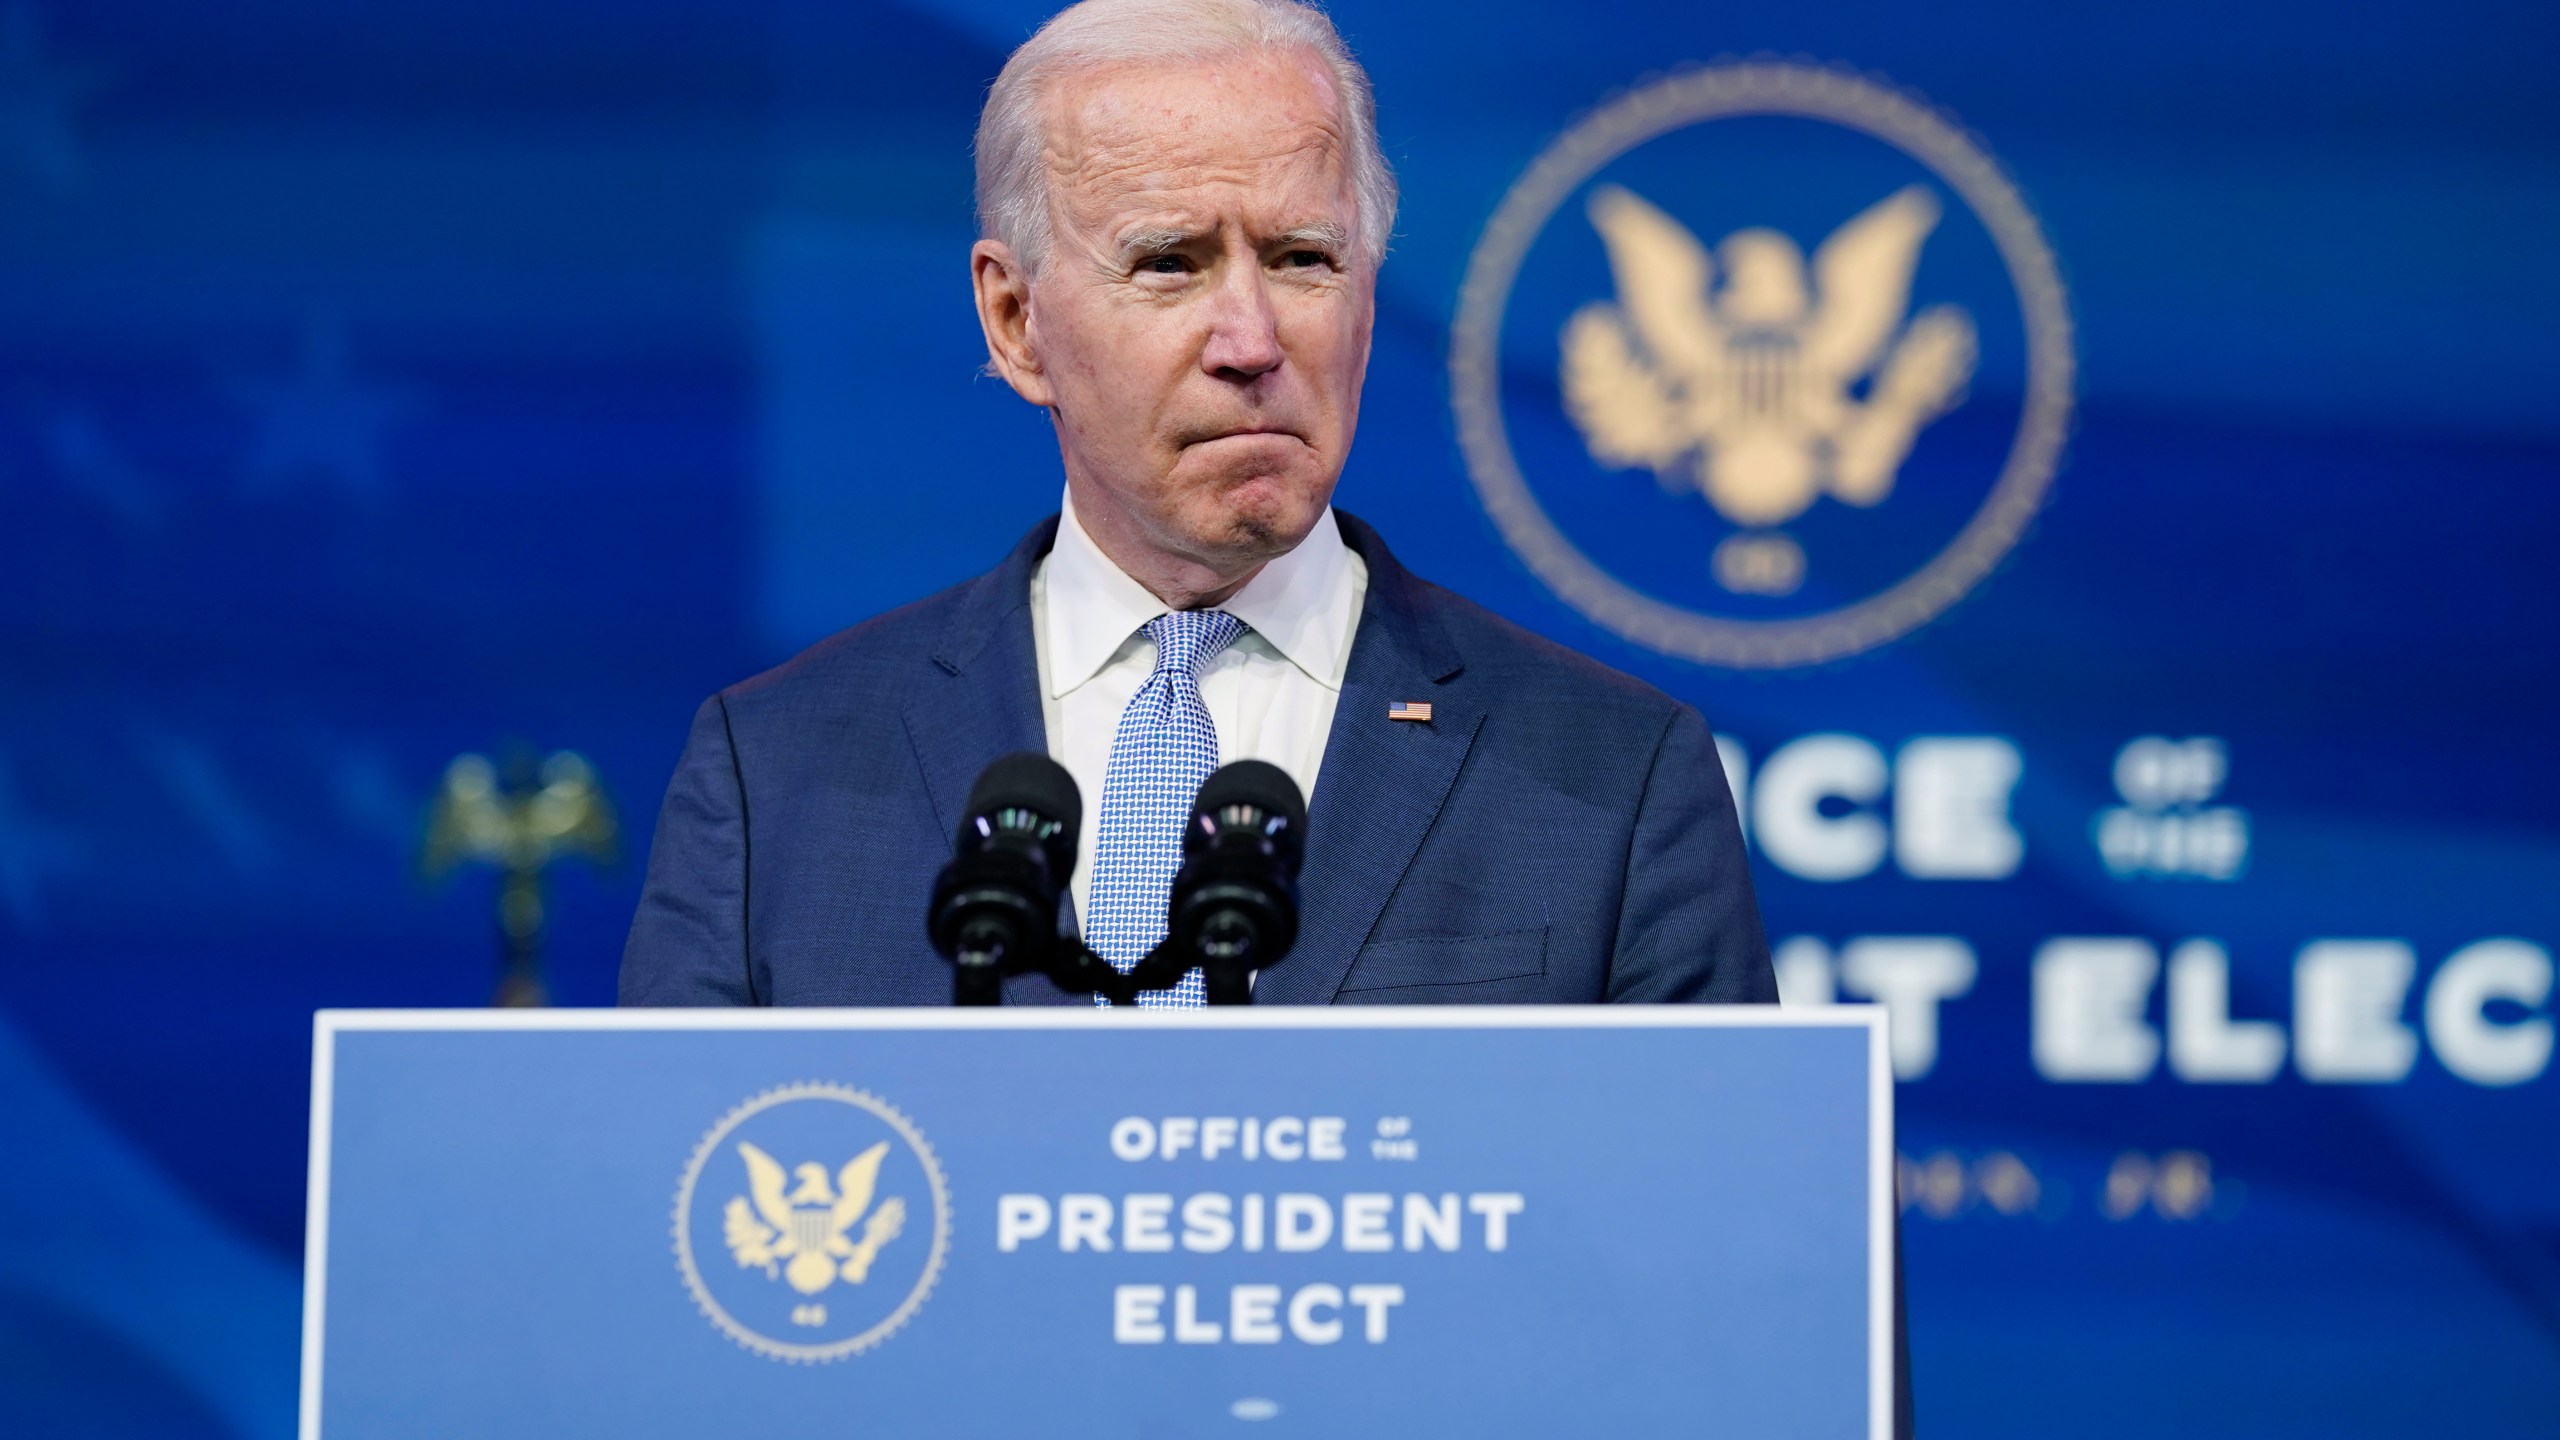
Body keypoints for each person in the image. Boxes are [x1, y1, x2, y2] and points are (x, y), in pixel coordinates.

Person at [619, 0, 1773, 1011]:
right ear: (1016, 321)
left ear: (1368, 305)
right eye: (1169, 261)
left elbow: (1735, 1237)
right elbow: (662, 1219)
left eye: (1302, 258)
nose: (1252, 340)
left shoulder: (1615, 778)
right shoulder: (775, 778)